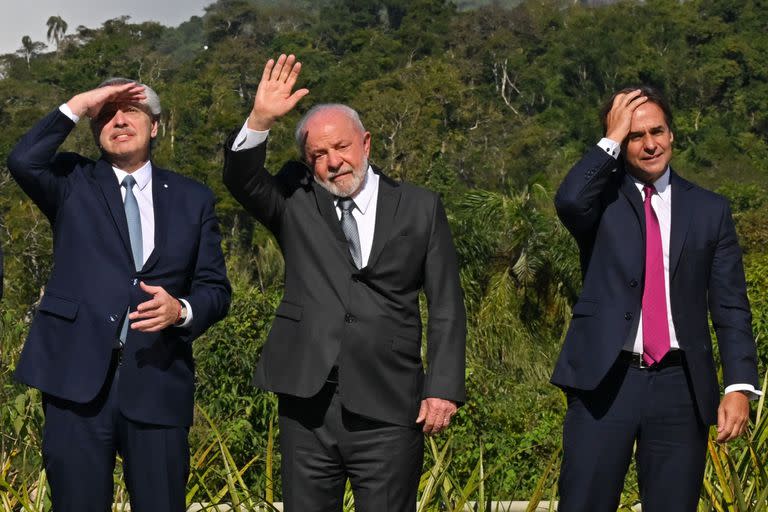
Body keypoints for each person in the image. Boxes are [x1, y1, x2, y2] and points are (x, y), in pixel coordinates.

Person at [222, 54, 466, 511]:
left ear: (367, 143)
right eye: (318, 155)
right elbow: (241, 178)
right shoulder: (294, 202)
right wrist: (259, 119)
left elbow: (447, 304)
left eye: (342, 148)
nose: (333, 162)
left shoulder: (420, 206)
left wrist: (444, 387)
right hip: (307, 404)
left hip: (392, 404)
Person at [7, 78, 231, 511]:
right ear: (94, 126)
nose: (120, 120)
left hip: (158, 383)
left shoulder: (193, 198)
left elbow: (215, 289)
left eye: (132, 112)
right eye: (107, 113)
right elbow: (22, 160)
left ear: (156, 127)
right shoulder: (71, 181)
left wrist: (181, 310)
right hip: (75, 386)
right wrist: (78, 103)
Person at [552, 86, 762, 511]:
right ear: (620, 142)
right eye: (635, 135)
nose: (650, 144)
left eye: (658, 131)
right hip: (604, 382)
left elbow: (730, 305)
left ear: (672, 135)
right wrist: (609, 138)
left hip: (680, 386)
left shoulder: (710, 210)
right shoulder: (600, 202)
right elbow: (569, 199)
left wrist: (739, 385)